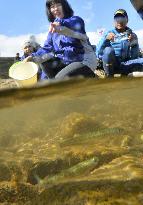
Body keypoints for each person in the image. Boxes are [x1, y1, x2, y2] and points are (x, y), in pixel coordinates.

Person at [23, 0, 97, 80]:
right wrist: (32, 57)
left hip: (84, 61)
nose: (55, 9)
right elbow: (47, 49)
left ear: (65, 6)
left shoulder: (76, 20)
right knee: (45, 63)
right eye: (52, 7)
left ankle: (90, 77)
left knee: (59, 80)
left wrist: (61, 23)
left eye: (58, 5)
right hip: (65, 63)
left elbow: (72, 25)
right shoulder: (52, 32)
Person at [96, 9, 143, 77]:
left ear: (127, 20)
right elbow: (98, 53)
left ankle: (126, 74)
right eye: (117, 19)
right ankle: (109, 76)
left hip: (126, 64)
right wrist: (105, 39)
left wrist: (134, 44)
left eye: (122, 19)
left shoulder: (132, 35)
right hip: (112, 65)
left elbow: (134, 57)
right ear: (114, 21)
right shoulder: (108, 33)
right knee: (108, 50)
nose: (119, 22)